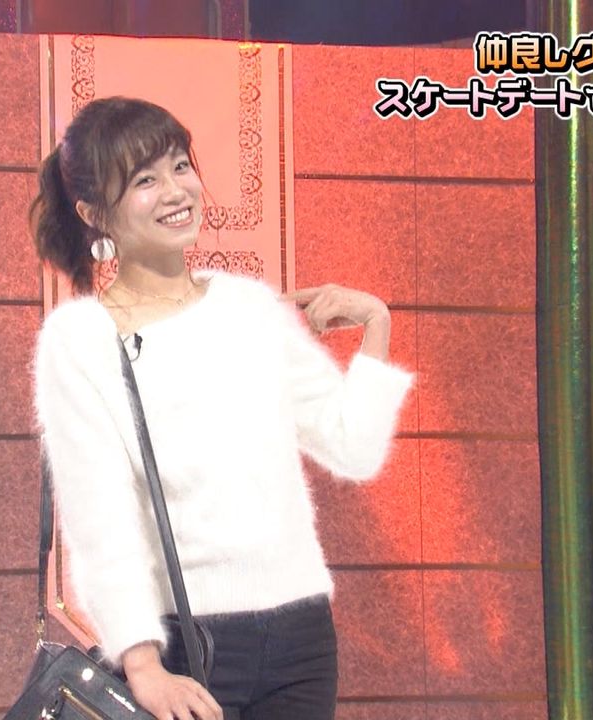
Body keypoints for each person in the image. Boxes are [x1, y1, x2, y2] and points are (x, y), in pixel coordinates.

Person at [30, 96, 414, 720]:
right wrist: (142, 665)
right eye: (145, 180)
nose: (176, 191)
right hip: (185, 645)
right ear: (94, 214)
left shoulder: (248, 307)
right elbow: (100, 519)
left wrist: (376, 323)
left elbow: (353, 447)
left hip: (302, 639)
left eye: (180, 166)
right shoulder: (80, 339)